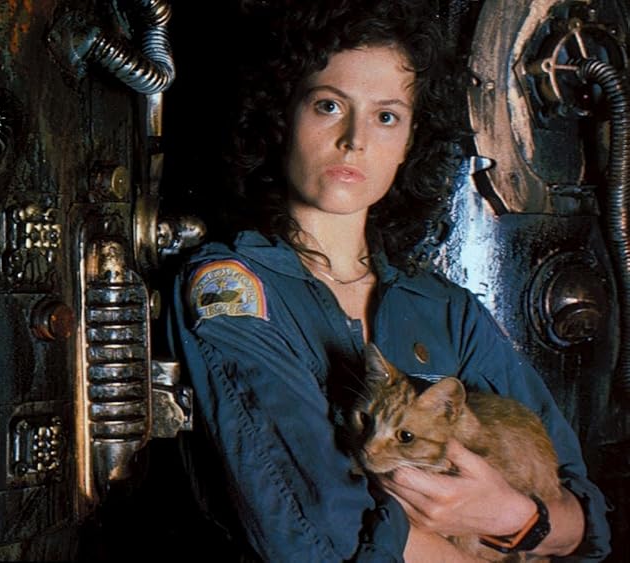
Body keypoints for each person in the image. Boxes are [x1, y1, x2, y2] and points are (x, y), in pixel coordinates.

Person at [165, 0, 611, 561]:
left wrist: (514, 518)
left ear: (409, 141)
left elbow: (585, 523)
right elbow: (315, 536)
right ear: (283, 115)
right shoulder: (231, 290)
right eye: (329, 105)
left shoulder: (448, 310)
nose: (354, 139)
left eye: (386, 117)